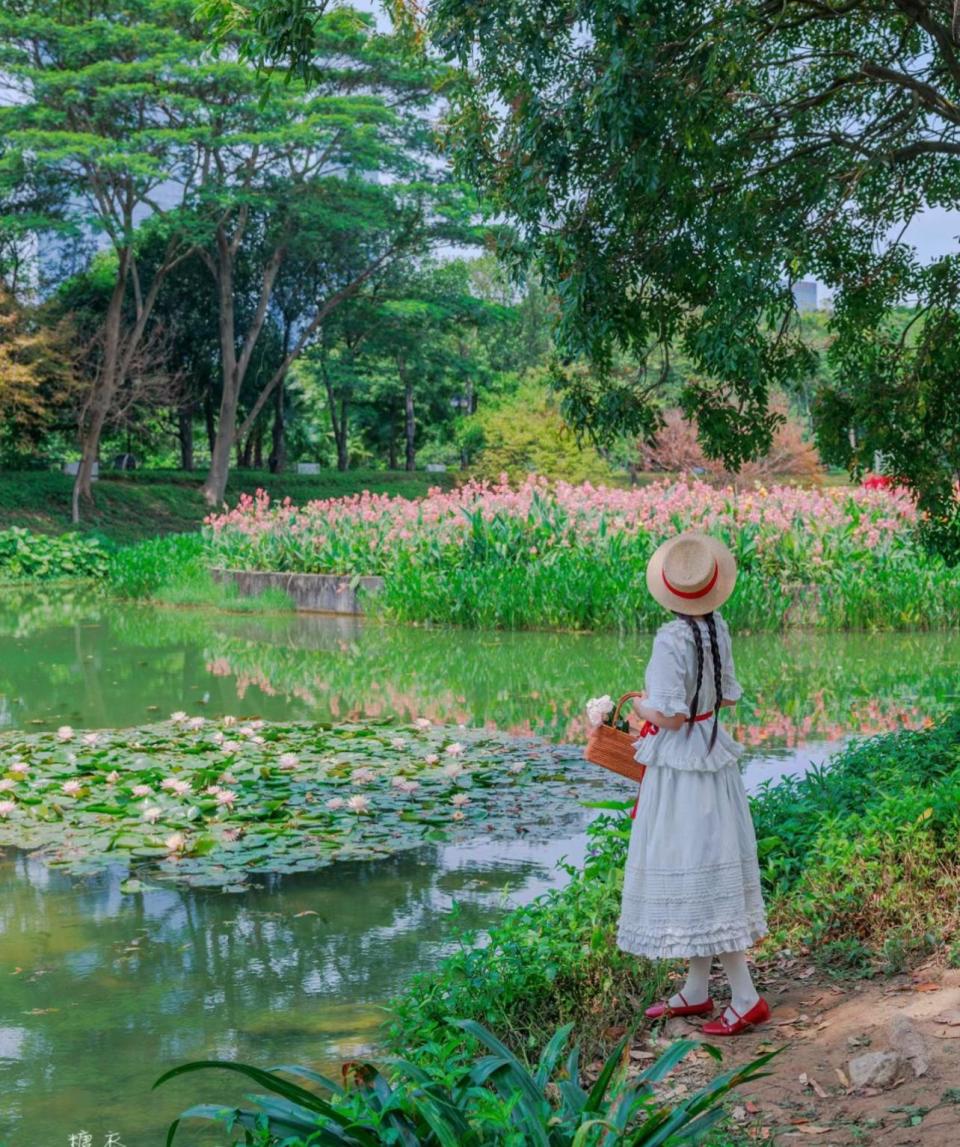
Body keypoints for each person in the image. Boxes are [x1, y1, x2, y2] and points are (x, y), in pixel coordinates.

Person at [616, 530, 769, 1036]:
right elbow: (722, 700)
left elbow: (670, 719)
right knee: (706, 868)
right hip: (713, 760)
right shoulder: (715, 628)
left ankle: (745, 997)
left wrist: (633, 703)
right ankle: (698, 990)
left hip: (682, 770)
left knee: (697, 872)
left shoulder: (671, 638)